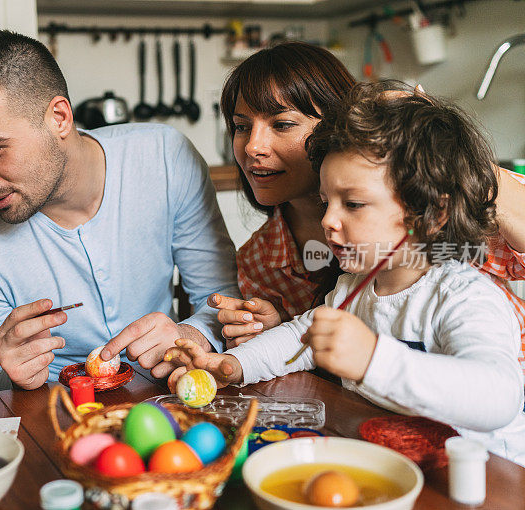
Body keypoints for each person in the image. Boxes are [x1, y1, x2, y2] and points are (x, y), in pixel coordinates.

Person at [166, 82, 525, 466]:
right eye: (326, 202)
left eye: (353, 204)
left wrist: (373, 359)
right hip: (398, 461)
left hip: (484, 476)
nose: (328, 221)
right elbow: (298, 336)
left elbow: (499, 398)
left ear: (433, 213)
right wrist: (234, 367)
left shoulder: (462, 295)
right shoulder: (356, 286)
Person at [0, 30, 239, 397]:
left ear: (59, 117)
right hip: (51, 417)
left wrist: (190, 334)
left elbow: (222, 301)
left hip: (166, 394)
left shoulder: (165, 158)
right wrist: (9, 379)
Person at [212, 42, 525, 374]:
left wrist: (452, 161)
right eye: (241, 126)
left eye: (282, 124)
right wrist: (265, 335)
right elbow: (306, 343)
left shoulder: (442, 219)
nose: (252, 147)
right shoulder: (261, 261)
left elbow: (491, 390)